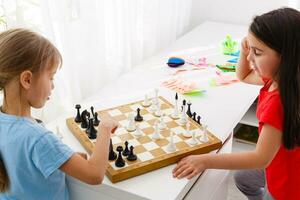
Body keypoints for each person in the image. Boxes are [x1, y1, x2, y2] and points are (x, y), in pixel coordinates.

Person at [173, 7, 300, 200]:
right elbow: (244, 75)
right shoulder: (282, 78)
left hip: (285, 189)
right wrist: (244, 50)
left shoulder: (279, 102)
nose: (249, 58)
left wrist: (205, 161)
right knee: (243, 179)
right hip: (284, 163)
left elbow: (260, 158)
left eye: (257, 52)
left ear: (286, 56)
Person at [0, 28, 118, 199]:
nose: (53, 86)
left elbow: (21, 162)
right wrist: (105, 128)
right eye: (51, 77)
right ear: (27, 79)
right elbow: (94, 175)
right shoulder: (38, 138)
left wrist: (60, 157)